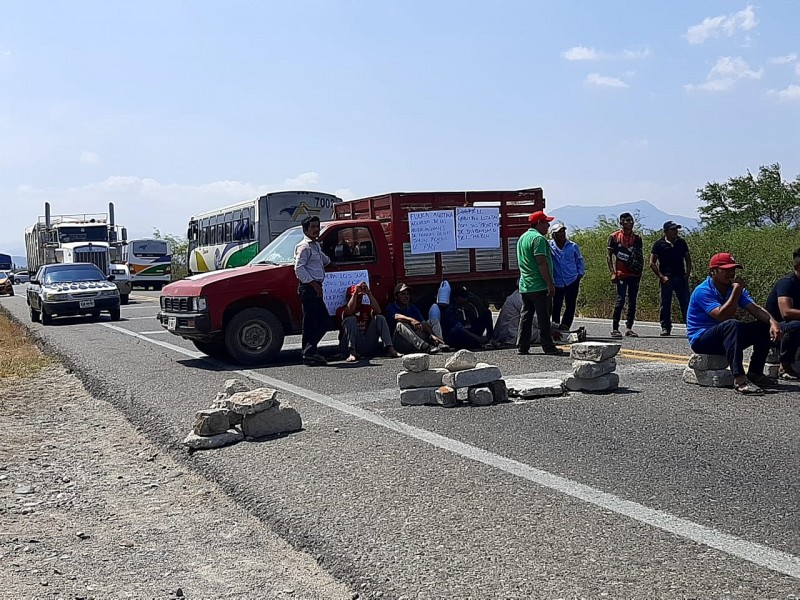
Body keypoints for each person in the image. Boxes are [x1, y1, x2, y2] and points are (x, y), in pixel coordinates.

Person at [686, 252, 782, 395]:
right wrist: (737, 290)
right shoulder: (703, 291)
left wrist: (773, 323)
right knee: (732, 324)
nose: (731, 273)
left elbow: (755, 309)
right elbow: (722, 315)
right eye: (726, 269)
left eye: (733, 269)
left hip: (726, 338)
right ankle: (740, 380)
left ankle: (755, 373)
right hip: (702, 340)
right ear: (713, 271)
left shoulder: (733, 288)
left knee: (763, 326)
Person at [517, 210, 565, 356]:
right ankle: (548, 346)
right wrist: (550, 284)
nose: (548, 226)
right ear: (538, 223)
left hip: (526, 285)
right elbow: (541, 263)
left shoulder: (523, 238)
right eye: (546, 223)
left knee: (526, 316)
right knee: (543, 316)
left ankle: (522, 346)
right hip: (538, 284)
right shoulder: (538, 239)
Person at [294, 216, 331, 366]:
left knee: (315, 322)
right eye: (313, 227)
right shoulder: (304, 247)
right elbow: (299, 268)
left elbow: (325, 260)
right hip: (309, 288)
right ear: (305, 230)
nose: (317, 229)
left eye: (318, 226)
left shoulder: (315, 246)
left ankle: (309, 353)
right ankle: (309, 351)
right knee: (321, 321)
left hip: (314, 287)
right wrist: (314, 285)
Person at [336, 282, 401, 362]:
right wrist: (355, 294)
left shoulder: (365, 308)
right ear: (348, 298)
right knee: (350, 319)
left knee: (379, 318)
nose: (359, 299)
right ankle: (352, 352)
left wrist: (369, 294)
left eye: (360, 297)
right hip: (349, 344)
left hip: (366, 342)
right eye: (357, 297)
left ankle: (390, 348)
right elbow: (348, 313)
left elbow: (378, 311)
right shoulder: (341, 310)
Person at [650, 220, 692, 337]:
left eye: (676, 229)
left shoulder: (681, 243)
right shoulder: (659, 244)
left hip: (680, 278)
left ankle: (690, 327)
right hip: (666, 279)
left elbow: (688, 259)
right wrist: (661, 277)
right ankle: (665, 327)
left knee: (686, 303)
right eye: (672, 229)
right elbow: (652, 263)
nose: (675, 231)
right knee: (665, 304)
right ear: (666, 231)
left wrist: (687, 274)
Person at [764, 248, 800, 380]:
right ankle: (784, 365)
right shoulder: (788, 283)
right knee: (796, 326)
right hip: (776, 327)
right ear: (797, 267)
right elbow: (786, 312)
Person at [607, 212, 644, 338]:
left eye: (631, 220)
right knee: (620, 300)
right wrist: (612, 272)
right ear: (621, 222)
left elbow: (639, 256)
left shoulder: (637, 238)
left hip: (634, 274)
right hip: (621, 274)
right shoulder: (614, 237)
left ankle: (629, 327)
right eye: (627, 220)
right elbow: (609, 256)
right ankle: (615, 328)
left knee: (632, 301)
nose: (630, 223)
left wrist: (640, 271)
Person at [384, 282, 447, 354]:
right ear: (396, 296)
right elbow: (396, 316)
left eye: (408, 294)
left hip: (414, 339)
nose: (406, 296)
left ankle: (439, 343)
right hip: (400, 342)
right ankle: (425, 347)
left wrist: (432, 335)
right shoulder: (390, 307)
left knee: (434, 321)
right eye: (403, 294)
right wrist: (411, 320)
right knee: (400, 324)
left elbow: (423, 323)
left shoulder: (412, 308)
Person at [491, 290, 569, 347]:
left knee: (539, 332)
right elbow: (536, 320)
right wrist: (553, 328)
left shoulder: (519, 296)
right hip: (509, 334)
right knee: (543, 335)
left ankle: (565, 335)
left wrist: (556, 326)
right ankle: (567, 337)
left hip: (513, 330)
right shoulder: (519, 298)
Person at [549, 223, 585, 332]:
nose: (562, 234)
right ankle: (555, 326)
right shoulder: (549, 246)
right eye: (559, 232)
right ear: (554, 235)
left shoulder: (573, 246)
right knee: (556, 304)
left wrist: (580, 274)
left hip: (572, 279)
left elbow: (579, 260)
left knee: (570, 304)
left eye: (563, 231)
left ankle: (565, 326)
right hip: (557, 281)